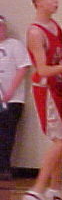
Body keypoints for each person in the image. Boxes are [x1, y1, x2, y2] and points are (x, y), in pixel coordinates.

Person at [22, 0, 62, 200]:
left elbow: (55, 57)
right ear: (38, 3)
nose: (56, 1)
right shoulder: (35, 32)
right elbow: (42, 69)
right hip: (47, 89)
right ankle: (36, 191)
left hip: (59, 87)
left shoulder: (54, 26)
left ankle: (55, 191)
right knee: (59, 141)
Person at [0, 15, 31, 181]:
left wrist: (10, 91)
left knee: (7, 133)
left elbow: (23, 68)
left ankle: (4, 167)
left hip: (12, 100)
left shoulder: (14, 45)